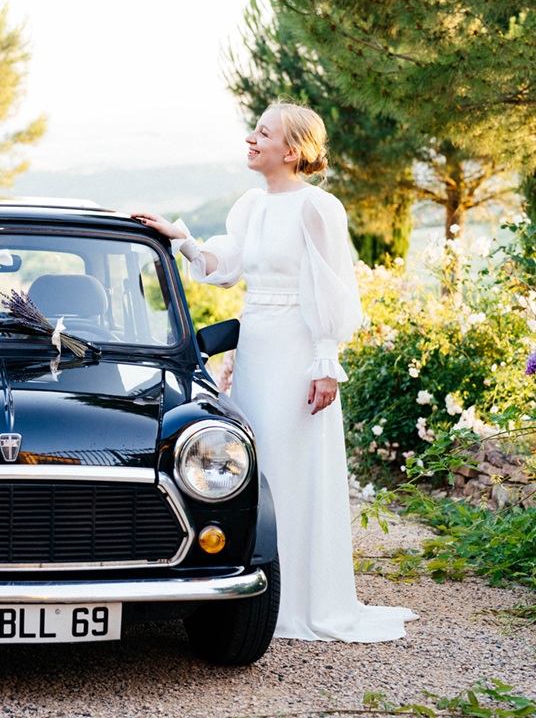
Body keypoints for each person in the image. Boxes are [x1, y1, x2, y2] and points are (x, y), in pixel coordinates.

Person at [132, 102, 417, 642]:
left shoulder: (320, 207)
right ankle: (258, 587)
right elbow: (227, 268)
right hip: (259, 343)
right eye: (254, 129)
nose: (251, 138)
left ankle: (304, 599)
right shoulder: (249, 205)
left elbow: (334, 289)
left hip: (298, 348)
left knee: (294, 461)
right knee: (256, 461)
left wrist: (326, 361)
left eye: (263, 132)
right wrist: (177, 236)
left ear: (291, 150)